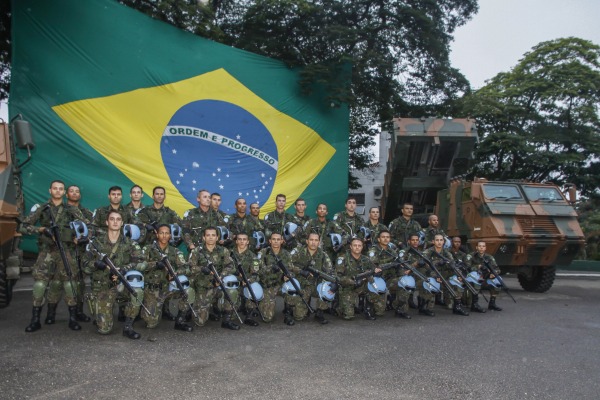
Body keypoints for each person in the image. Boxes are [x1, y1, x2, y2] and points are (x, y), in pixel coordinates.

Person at [19, 180, 88, 332]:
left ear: (64, 192)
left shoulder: (71, 209)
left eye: (61, 189)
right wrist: (42, 229)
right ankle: (35, 319)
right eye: (55, 189)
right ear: (50, 191)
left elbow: (87, 225)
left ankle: (72, 318)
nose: (58, 191)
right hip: (47, 252)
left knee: (70, 284)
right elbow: (23, 226)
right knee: (40, 284)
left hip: (66, 251)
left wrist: (81, 237)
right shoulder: (42, 208)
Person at [83, 210, 146, 339]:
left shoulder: (130, 243)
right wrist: (96, 264)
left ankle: (128, 326)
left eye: (118, 219)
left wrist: (124, 269)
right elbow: (85, 266)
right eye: (112, 219)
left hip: (122, 284)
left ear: (122, 223)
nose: (115, 222)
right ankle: (101, 315)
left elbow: (139, 261)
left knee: (137, 292)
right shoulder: (95, 243)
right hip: (103, 287)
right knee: (104, 330)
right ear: (107, 222)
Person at [43, 184, 93, 325]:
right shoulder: (59, 210)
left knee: (79, 284)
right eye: (72, 191)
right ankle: (51, 313)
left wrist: (85, 237)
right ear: (66, 194)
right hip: (60, 252)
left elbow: (92, 227)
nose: (75, 193)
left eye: (77, 191)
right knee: (57, 283)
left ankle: (78, 312)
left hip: (79, 253)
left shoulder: (85, 212)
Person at [141, 224, 194, 332]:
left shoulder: (175, 251)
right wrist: (155, 264)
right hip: (152, 289)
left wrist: (174, 273)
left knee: (189, 292)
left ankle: (180, 321)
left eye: (167, 233)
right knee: (151, 322)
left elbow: (186, 268)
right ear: (157, 234)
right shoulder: (148, 249)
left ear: (170, 235)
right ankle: (147, 308)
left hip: (168, 288)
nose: (164, 236)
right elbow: (140, 265)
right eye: (161, 233)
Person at [188, 226, 240, 330]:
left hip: (219, 284)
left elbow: (231, 266)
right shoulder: (197, 251)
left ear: (217, 238)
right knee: (200, 321)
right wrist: (202, 269)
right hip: (203, 287)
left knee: (232, 292)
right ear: (203, 238)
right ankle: (200, 307)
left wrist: (221, 276)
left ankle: (227, 320)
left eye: (213, 235)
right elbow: (190, 268)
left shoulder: (223, 250)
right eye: (208, 235)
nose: (210, 238)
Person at [290, 232, 334, 324]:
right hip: (302, 284)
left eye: (316, 240)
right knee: (299, 316)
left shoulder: (323, 255)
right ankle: (294, 306)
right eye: (311, 240)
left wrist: (332, 283)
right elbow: (288, 264)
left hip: (316, 284)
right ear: (307, 241)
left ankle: (320, 312)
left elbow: (330, 270)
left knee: (327, 288)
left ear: (319, 242)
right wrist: (300, 271)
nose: (313, 242)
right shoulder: (298, 251)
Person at [335, 238, 383, 320]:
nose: (357, 247)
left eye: (359, 246)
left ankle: (368, 308)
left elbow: (374, 269)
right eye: (355, 245)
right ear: (350, 246)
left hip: (363, 285)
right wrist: (353, 282)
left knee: (376, 288)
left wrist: (377, 271)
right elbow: (338, 277)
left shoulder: (366, 259)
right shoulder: (342, 259)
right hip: (347, 287)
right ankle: (338, 306)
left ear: (362, 247)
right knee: (348, 316)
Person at [423, 234, 469, 316]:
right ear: (433, 241)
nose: (439, 242)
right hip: (432, 276)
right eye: (437, 240)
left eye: (441, 240)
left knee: (458, 282)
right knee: (431, 285)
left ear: (444, 242)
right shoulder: (428, 252)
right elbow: (426, 268)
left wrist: (459, 275)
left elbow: (453, 265)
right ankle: (427, 308)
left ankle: (457, 307)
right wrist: (435, 276)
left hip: (445, 276)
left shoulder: (447, 253)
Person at [368, 230, 410, 318]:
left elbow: (398, 267)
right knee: (380, 312)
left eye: (387, 237)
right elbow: (375, 265)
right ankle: (369, 305)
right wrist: (390, 262)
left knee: (405, 284)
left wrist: (403, 275)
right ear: (379, 239)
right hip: (377, 280)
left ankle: (399, 309)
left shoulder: (393, 252)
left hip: (390, 279)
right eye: (383, 237)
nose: (385, 239)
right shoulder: (374, 250)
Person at [257, 233, 290, 324]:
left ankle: (288, 311)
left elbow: (291, 268)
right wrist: (271, 267)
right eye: (274, 239)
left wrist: (287, 275)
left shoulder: (286, 254)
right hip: (269, 285)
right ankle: (261, 303)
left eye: (278, 239)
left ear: (282, 241)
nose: (276, 241)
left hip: (282, 283)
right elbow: (258, 270)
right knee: (267, 317)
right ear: (270, 241)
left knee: (293, 287)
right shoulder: (263, 253)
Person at [230, 232, 261, 326]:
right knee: (232, 316)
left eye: (244, 239)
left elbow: (255, 274)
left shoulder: (253, 256)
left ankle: (249, 316)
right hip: (234, 283)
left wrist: (247, 281)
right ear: (236, 241)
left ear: (248, 242)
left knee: (254, 288)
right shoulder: (229, 254)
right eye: (239, 239)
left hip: (247, 283)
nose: (242, 241)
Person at [449, 237, 485, 313]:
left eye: (459, 242)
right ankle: (456, 306)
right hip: (449, 274)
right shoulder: (447, 252)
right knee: (449, 305)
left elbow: (467, 266)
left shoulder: (463, 254)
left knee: (475, 277)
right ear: (451, 242)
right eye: (455, 242)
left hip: (461, 274)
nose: (457, 243)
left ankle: (474, 304)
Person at [468, 241, 503, 311]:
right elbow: (467, 267)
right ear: (476, 247)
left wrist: (493, 273)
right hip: (472, 279)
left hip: (486, 278)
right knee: (475, 276)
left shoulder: (489, 257)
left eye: (483, 246)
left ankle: (492, 303)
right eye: (480, 246)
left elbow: (497, 269)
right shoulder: (471, 256)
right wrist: (478, 267)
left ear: (485, 248)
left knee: (498, 280)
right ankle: (474, 304)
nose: (481, 248)